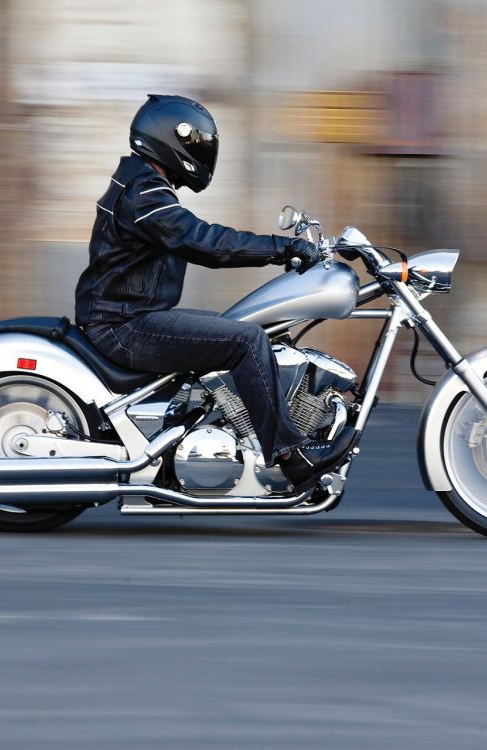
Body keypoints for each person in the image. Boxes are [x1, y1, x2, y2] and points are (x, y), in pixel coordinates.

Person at [74, 94, 355, 492]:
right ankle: (292, 455)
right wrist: (282, 249)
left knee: (242, 330)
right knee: (245, 339)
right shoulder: (145, 193)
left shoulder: (141, 182)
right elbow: (202, 241)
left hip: (128, 316)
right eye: (196, 145)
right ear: (171, 139)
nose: (200, 153)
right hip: (124, 326)